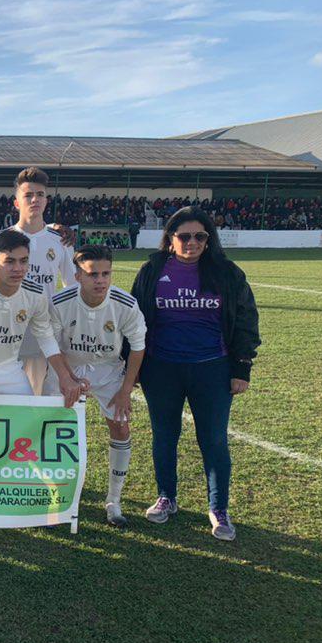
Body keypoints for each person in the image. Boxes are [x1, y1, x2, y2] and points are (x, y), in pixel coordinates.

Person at [131, 207, 260, 541]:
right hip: (161, 368)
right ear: (170, 238)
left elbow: (246, 319)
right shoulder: (152, 270)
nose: (192, 242)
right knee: (164, 435)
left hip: (212, 369)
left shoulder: (227, 272)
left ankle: (219, 508)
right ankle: (166, 497)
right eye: (184, 236)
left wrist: (241, 367)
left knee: (214, 439)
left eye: (200, 236)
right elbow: (134, 319)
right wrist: (133, 366)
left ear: (209, 239)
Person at [50, 245, 146, 527]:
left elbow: (138, 346)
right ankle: (55, 493)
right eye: (93, 274)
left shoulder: (125, 303)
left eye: (106, 274)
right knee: (53, 427)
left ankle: (114, 500)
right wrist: (67, 377)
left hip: (108, 368)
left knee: (121, 426)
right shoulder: (59, 301)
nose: (101, 280)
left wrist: (125, 390)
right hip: (66, 366)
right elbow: (51, 344)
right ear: (78, 276)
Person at [0, 229, 83, 405]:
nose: (18, 268)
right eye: (9, 261)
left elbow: (46, 337)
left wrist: (64, 376)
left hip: (8, 369)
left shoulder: (36, 293)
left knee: (27, 412)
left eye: (23, 261)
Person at [0, 168, 77, 395]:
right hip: (3, 334)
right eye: (28, 195)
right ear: (16, 203)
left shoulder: (60, 240)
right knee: (0, 400)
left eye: (40, 194)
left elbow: (72, 288)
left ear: (46, 201)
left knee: (36, 398)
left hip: (41, 334)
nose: (35, 200)